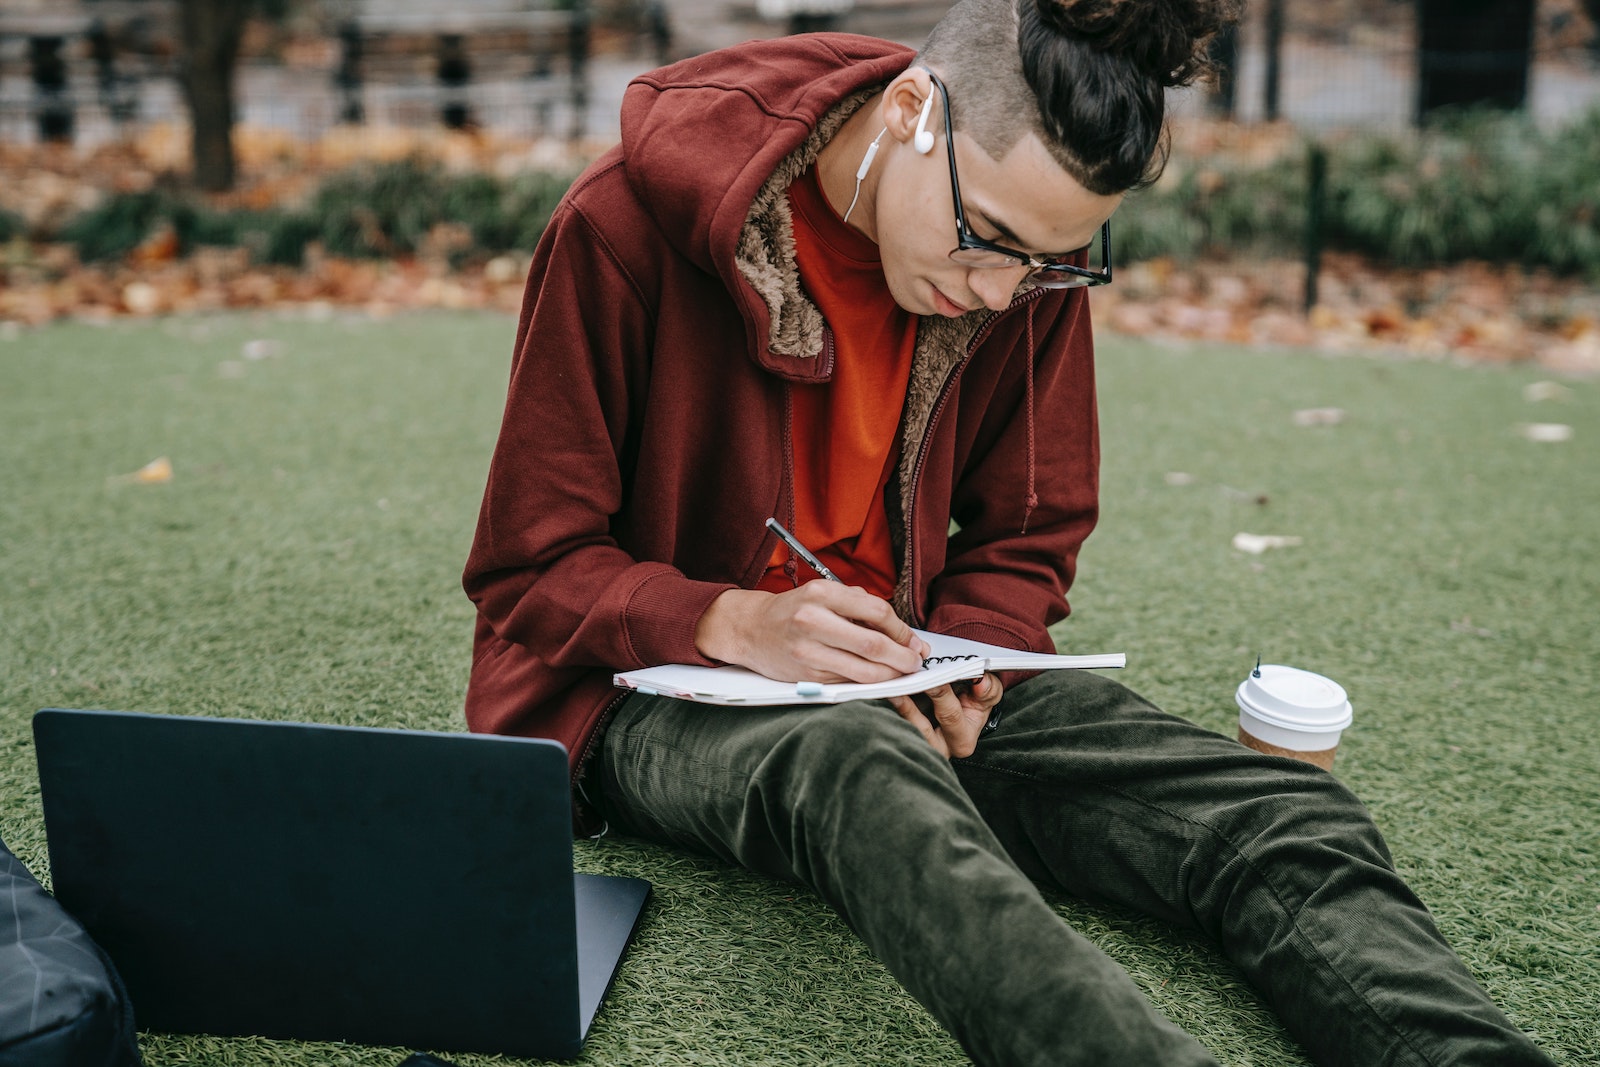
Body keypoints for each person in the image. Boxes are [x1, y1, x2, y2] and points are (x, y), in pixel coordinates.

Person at [462, 0, 1556, 1063]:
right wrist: (735, 620)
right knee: (849, 760)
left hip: (906, 674)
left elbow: (1032, 529)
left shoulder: (1022, 273)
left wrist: (974, 652)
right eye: (987, 240)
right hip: (647, 692)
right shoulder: (616, 227)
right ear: (907, 113)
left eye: (1050, 261)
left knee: (1274, 811)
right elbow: (528, 564)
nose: (999, 292)